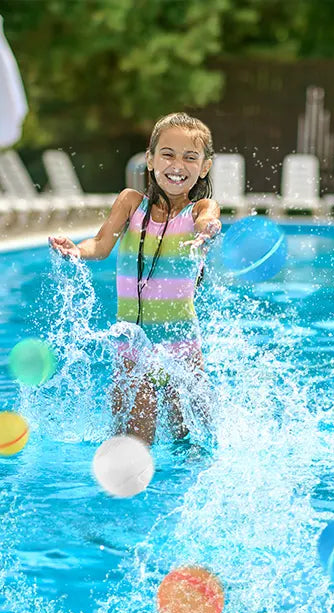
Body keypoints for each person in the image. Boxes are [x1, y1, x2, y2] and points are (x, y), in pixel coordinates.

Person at [49, 112, 222, 446]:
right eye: (168, 154)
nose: (177, 164)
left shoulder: (199, 209)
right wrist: (77, 251)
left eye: (190, 157)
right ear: (150, 159)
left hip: (182, 349)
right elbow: (100, 245)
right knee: (131, 442)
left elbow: (208, 218)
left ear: (204, 167)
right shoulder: (131, 203)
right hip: (131, 348)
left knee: (192, 443)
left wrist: (208, 230)